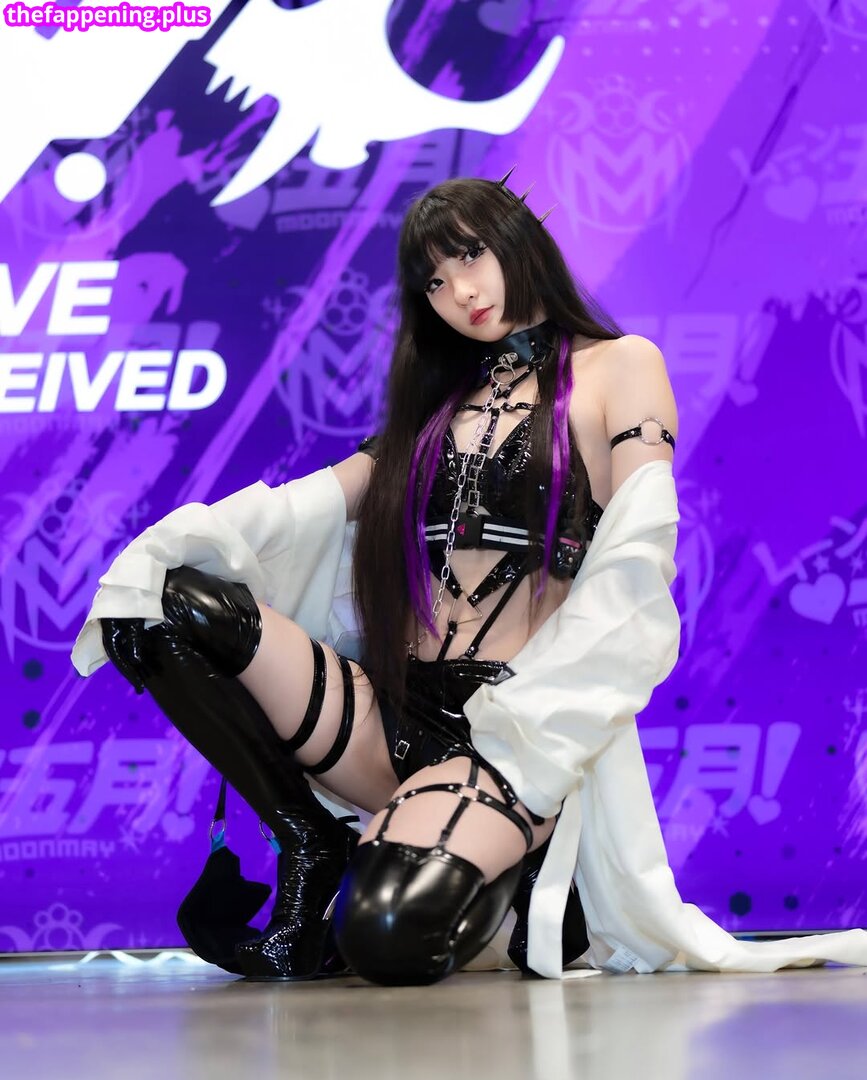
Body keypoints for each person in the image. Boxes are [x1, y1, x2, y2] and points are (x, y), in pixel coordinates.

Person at [72, 174, 867, 985]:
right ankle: (310, 841)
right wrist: (157, 553)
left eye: (469, 256)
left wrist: (561, 711)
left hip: (509, 734)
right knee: (165, 602)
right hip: (386, 715)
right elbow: (305, 505)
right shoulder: (435, 404)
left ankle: (511, 872)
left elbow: (639, 542)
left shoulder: (620, 365)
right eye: (434, 281)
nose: (459, 291)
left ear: (518, 242)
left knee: (385, 931)